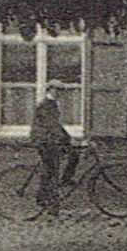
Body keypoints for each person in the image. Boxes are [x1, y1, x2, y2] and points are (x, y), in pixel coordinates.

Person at [28, 81, 73, 216]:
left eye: (61, 90)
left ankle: (65, 180)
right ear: (50, 90)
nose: (60, 93)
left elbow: (57, 126)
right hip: (44, 140)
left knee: (74, 155)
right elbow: (52, 126)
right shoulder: (46, 105)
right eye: (57, 90)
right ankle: (49, 202)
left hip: (50, 139)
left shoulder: (53, 104)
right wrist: (64, 139)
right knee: (52, 171)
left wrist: (68, 138)